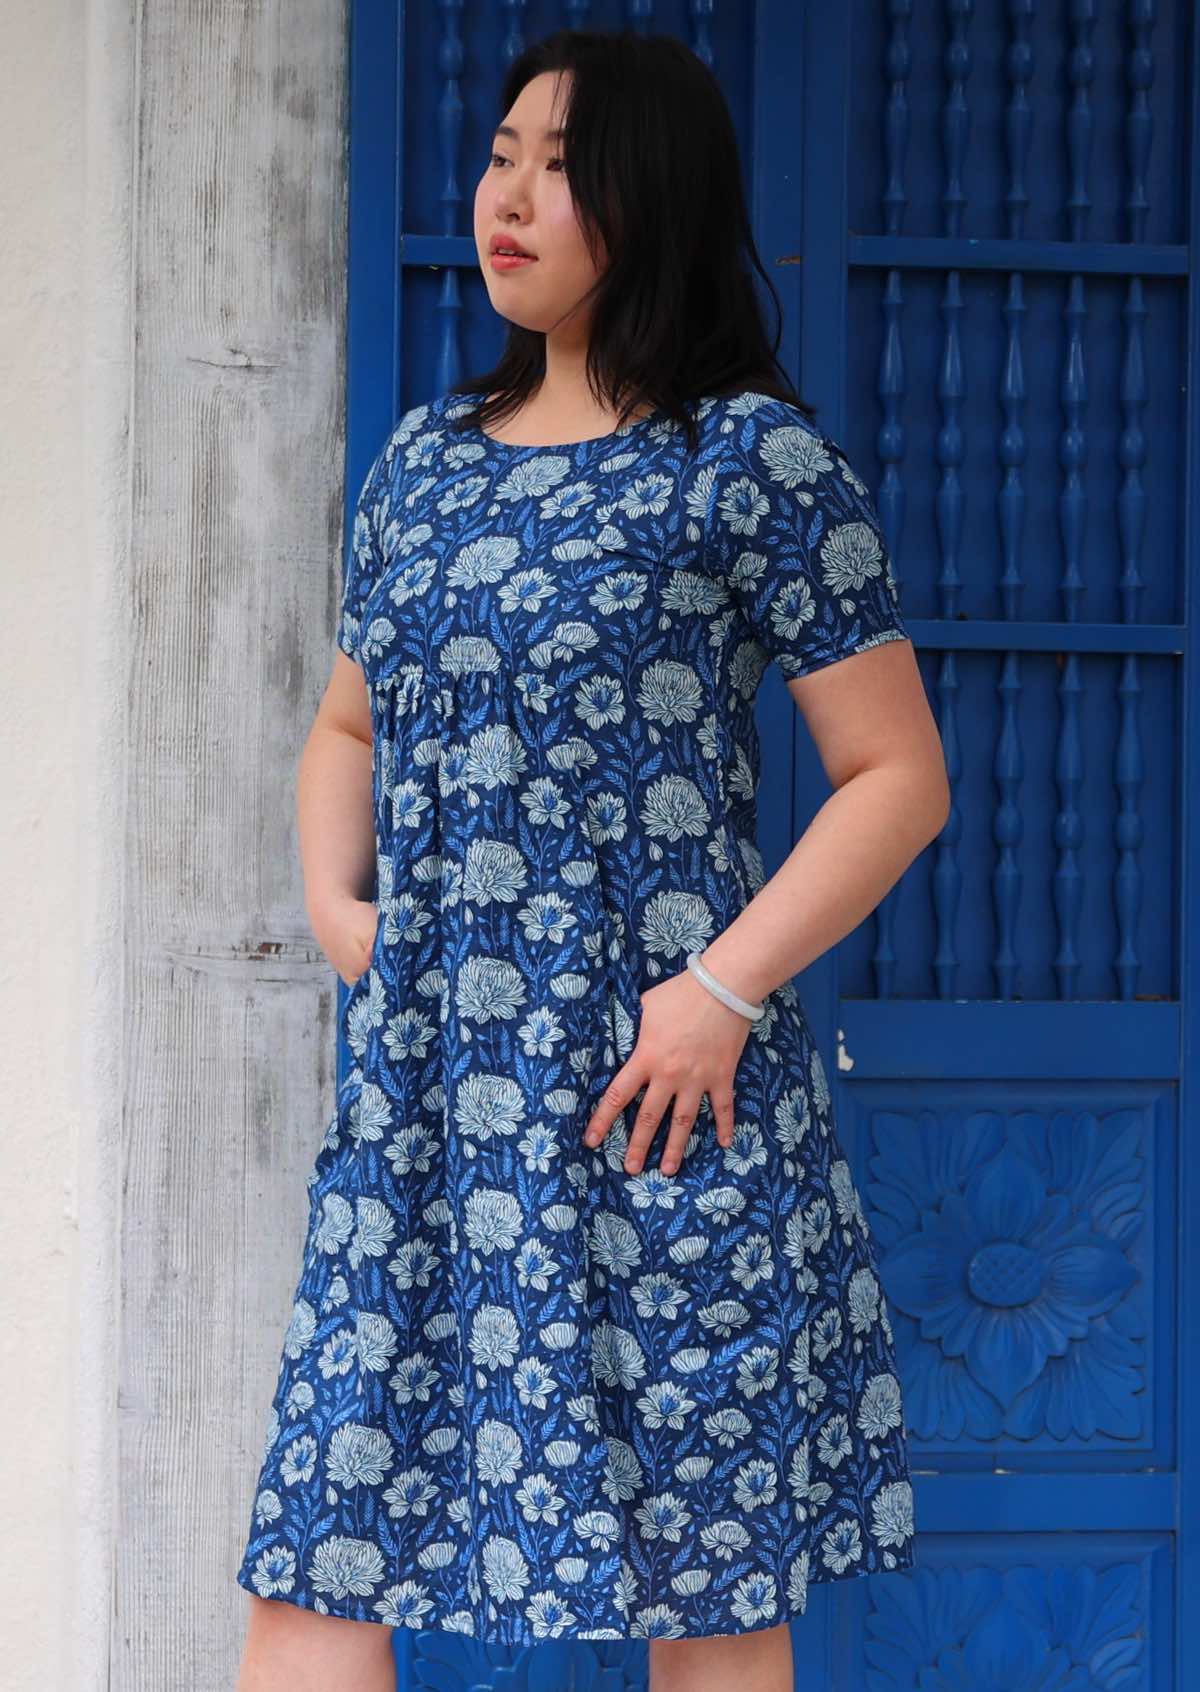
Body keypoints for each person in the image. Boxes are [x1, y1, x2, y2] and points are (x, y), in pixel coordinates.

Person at [234, 26, 948, 1692]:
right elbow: (346, 730)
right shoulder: (420, 468)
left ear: (657, 198)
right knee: (317, 1558)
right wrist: (346, 918)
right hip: (424, 1119)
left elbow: (897, 777)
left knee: (704, 1577)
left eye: (563, 163)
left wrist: (719, 991)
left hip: (656, 1099)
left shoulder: (752, 463)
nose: (512, 195)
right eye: (500, 155)